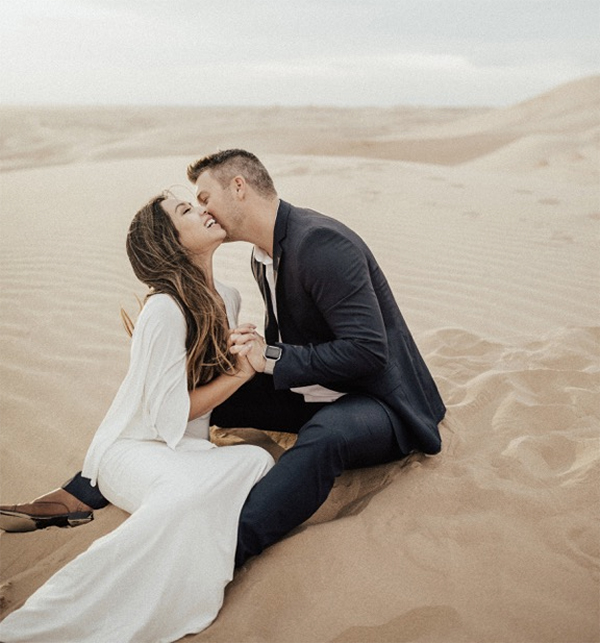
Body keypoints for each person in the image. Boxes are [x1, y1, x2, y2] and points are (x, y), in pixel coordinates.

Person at [1, 149, 446, 570]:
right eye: (194, 207)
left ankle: (225, 547)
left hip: (382, 404)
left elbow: (368, 352)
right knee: (208, 394)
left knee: (326, 435)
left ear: (238, 187)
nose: (205, 210)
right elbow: (289, 342)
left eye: (205, 198)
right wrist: (252, 357)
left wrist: (268, 355)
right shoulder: (263, 256)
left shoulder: (320, 243)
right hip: (322, 389)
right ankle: (93, 484)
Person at [0, 193, 275, 642]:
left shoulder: (228, 296)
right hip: (132, 452)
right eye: (187, 212)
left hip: (186, 450)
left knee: (256, 463)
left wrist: (242, 351)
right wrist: (241, 375)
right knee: (187, 496)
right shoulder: (163, 311)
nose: (203, 211)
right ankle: (53, 618)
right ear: (171, 242)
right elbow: (170, 412)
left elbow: (211, 372)